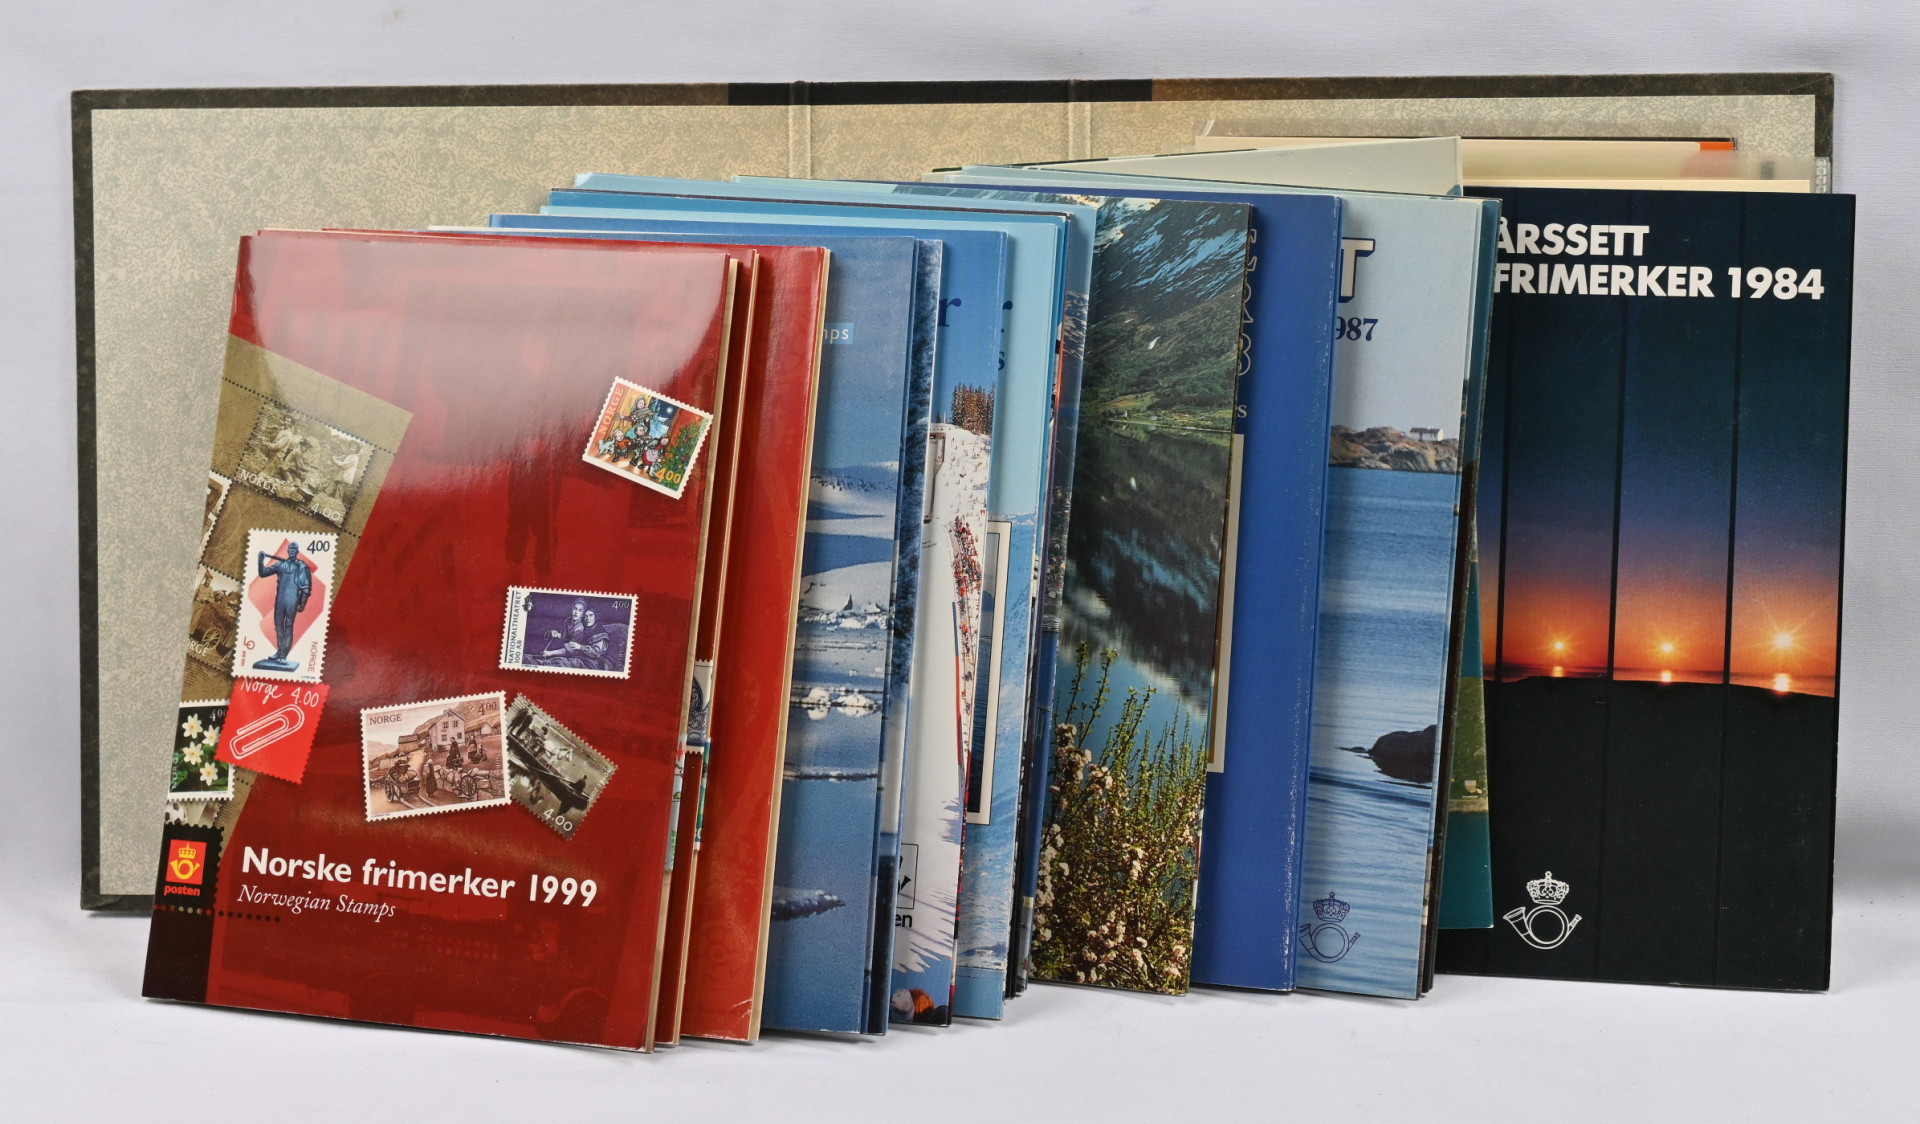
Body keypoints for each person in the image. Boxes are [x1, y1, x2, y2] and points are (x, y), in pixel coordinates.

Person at [253, 541, 312, 672]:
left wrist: (302, 602)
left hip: (292, 601)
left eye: (294, 549)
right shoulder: (281, 564)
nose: (292, 551)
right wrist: (260, 561)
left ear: (297, 552)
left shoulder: (301, 567)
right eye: (290, 549)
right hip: (280, 600)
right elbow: (263, 573)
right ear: (288, 551)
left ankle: (284, 655)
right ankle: (279, 651)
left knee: (288, 626)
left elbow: (306, 587)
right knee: (278, 625)